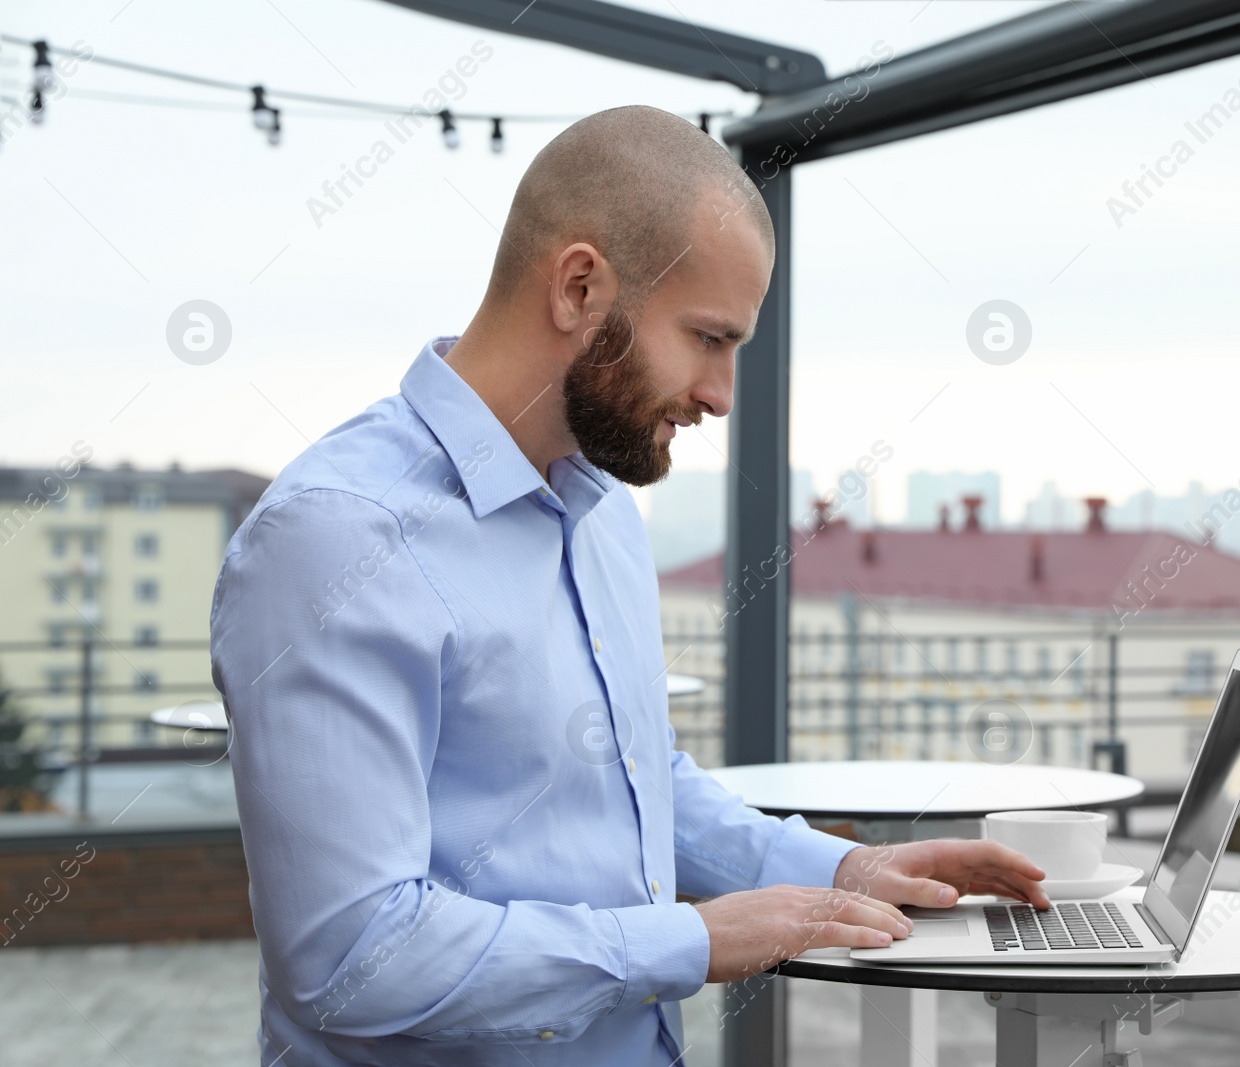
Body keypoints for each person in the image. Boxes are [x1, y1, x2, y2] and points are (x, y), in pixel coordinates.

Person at [209, 104, 1049, 1067]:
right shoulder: (334, 536)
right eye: (706, 337)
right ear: (578, 287)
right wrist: (689, 942)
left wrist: (842, 869)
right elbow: (351, 956)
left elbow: (634, 785)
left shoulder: (601, 510)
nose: (722, 395)